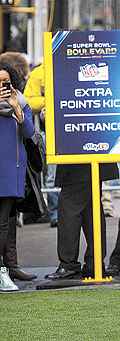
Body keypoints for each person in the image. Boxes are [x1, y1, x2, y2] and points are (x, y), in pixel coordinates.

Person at [0, 62, 34, 291]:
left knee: (4, 223)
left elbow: (29, 133)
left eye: (5, 82)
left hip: (11, 170)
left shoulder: (20, 102)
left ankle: (6, 269)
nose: (2, 86)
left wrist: (17, 110)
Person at [24, 63, 59, 227]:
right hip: (47, 134)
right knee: (51, 176)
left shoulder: (70, 65)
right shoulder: (38, 73)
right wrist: (50, 100)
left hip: (70, 131)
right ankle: (55, 214)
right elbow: (28, 101)